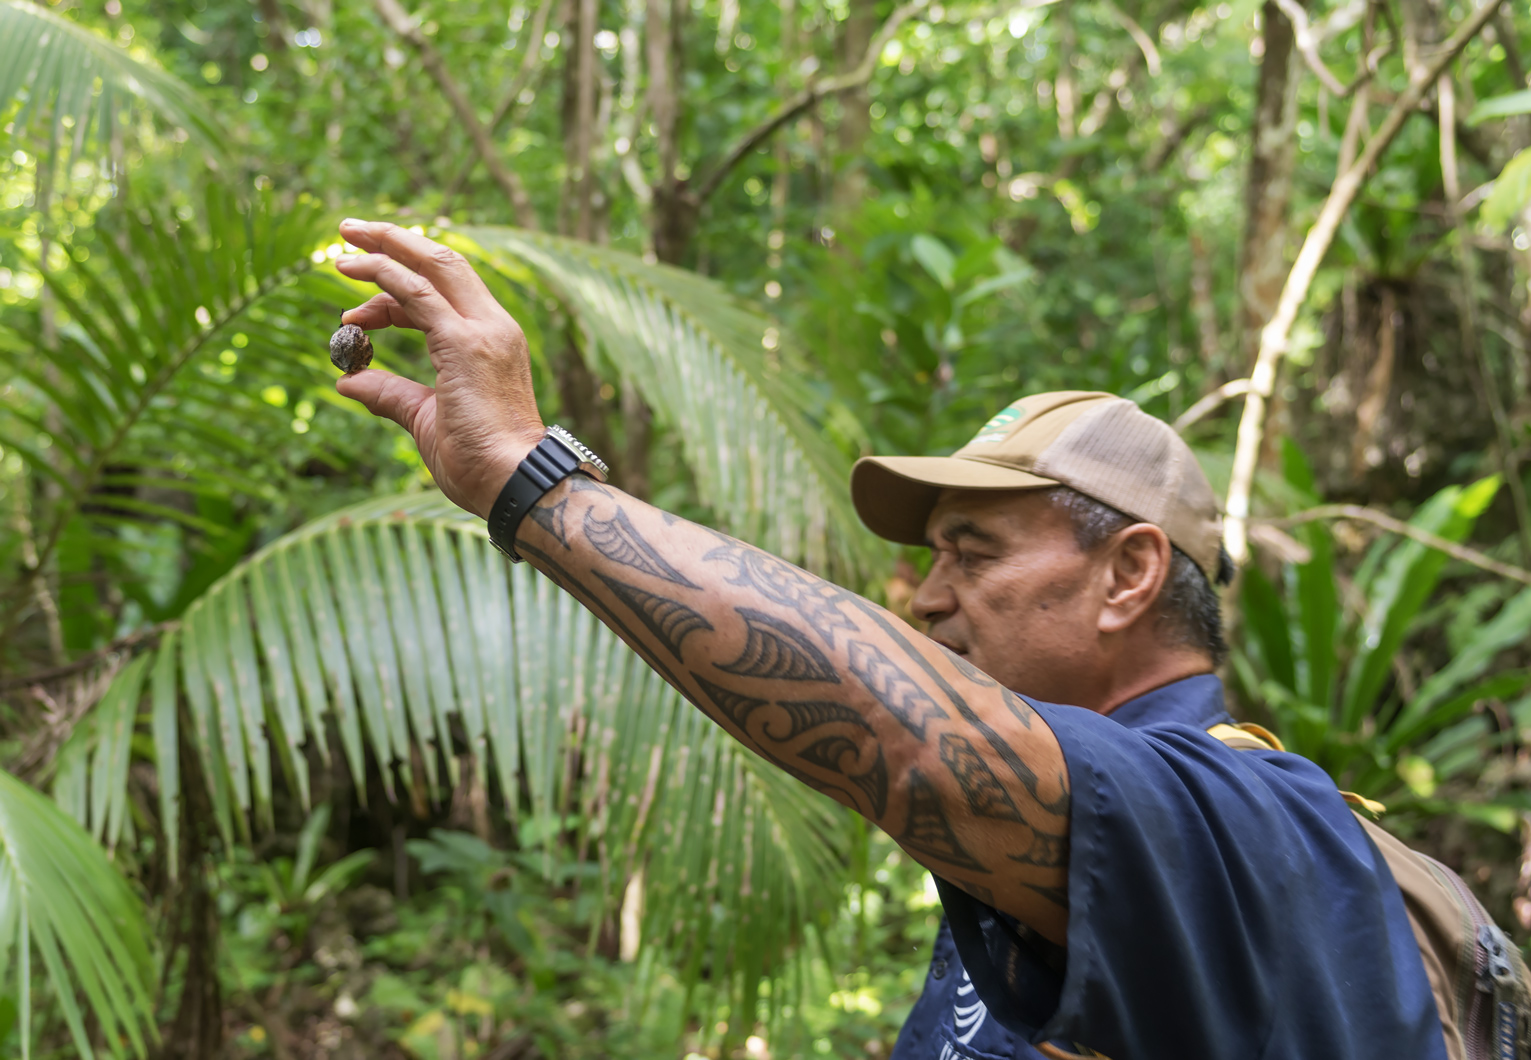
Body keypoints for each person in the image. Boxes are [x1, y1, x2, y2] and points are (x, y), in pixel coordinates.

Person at [329, 219, 1446, 1060]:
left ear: (1131, 574)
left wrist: (534, 481)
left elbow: (912, 742)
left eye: (975, 552)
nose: (928, 598)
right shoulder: (1053, 866)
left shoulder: (1237, 825)